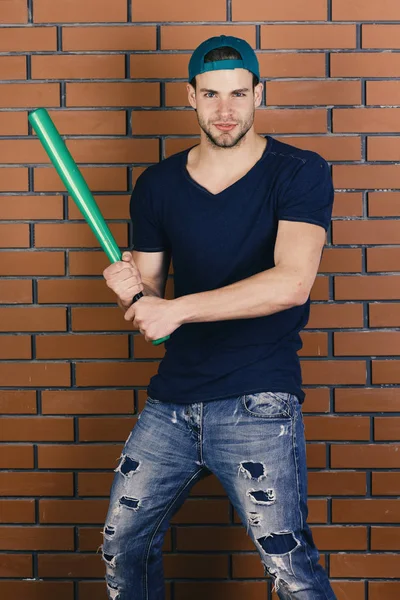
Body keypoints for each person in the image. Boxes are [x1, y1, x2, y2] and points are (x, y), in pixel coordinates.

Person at [101, 35, 336, 600]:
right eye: (210, 95)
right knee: (122, 545)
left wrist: (174, 309)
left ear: (260, 93)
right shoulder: (156, 186)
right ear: (191, 97)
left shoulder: (299, 172)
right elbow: (149, 302)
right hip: (172, 403)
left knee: (291, 567)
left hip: (259, 398)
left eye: (237, 94)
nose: (225, 110)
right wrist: (126, 289)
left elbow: (291, 283)